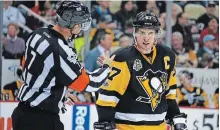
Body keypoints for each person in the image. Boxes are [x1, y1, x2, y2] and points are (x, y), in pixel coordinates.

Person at [11, 1, 115, 130]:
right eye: (81, 25)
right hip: (41, 121)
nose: (81, 29)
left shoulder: (37, 33)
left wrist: (59, 93)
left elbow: (29, 66)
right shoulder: (61, 50)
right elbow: (87, 83)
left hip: (21, 113)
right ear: (75, 26)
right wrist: (107, 67)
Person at [94, 12, 187, 130]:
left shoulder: (167, 55)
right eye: (142, 32)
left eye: (150, 33)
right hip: (127, 127)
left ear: (156, 34)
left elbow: (169, 95)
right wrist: (105, 122)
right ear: (135, 33)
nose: (146, 38)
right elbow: (107, 98)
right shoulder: (123, 58)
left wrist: (176, 117)